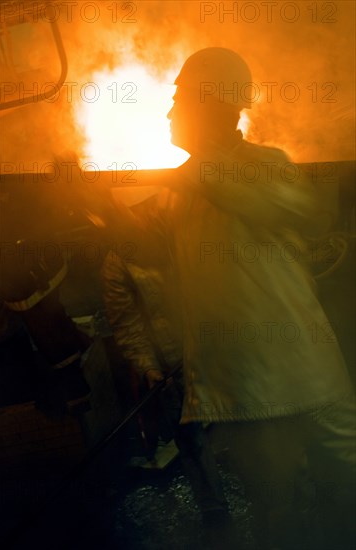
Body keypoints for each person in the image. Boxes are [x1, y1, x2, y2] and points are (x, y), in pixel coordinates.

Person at [110, 48, 355, 549]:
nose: (169, 111)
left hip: (309, 376)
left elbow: (293, 207)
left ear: (211, 102)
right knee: (276, 517)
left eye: (178, 98)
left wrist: (188, 168)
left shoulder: (266, 166)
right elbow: (141, 249)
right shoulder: (178, 195)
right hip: (249, 391)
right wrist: (91, 198)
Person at [101, 222, 230, 529]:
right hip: (172, 365)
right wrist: (148, 365)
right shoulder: (118, 264)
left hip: (215, 351)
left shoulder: (187, 235)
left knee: (246, 424)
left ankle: (277, 498)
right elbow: (128, 323)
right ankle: (214, 512)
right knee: (190, 440)